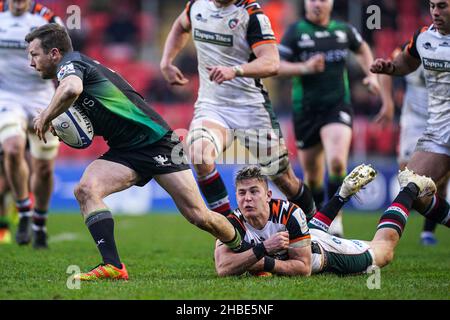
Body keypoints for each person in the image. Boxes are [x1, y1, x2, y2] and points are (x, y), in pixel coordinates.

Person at [27, 23, 245, 281]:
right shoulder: (74, 71)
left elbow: (72, 89)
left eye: (34, 54)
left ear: (54, 53)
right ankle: (113, 266)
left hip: (155, 141)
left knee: (199, 217)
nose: (31, 62)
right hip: (124, 149)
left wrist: (46, 116)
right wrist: (62, 122)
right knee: (85, 189)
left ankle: (247, 251)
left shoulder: (70, 65)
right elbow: (88, 126)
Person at [160, 0, 317, 223]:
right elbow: (180, 26)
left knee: (284, 180)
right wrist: (167, 61)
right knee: (199, 154)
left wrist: (236, 70)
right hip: (212, 106)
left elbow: (271, 62)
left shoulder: (251, 14)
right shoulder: (197, 6)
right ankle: (232, 231)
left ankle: (318, 227)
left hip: (252, 110)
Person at [276, 0, 386, 237]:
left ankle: (335, 216)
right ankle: (319, 218)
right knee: (313, 176)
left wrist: (371, 76)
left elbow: (363, 49)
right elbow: (276, 67)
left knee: (336, 161)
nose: (318, 4)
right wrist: (304, 67)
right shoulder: (296, 32)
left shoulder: (343, 30)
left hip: (337, 106)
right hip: (305, 110)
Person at [214, 164, 436, 277]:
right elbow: (223, 267)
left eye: (254, 191)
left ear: (268, 195)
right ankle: (342, 194)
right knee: (307, 232)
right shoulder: (232, 222)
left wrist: (267, 263)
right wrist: (264, 248)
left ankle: (410, 186)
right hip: (303, 238)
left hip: (322, 253)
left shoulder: (290, 213)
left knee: (384, 251)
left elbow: (303, 268)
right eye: (242, 193)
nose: (248, 198)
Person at [370, 0, 450, 235]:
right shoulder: (425, 38)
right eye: (432, 6)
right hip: (437, 132)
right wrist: (391, 68)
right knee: (410, 187)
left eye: (443, 6)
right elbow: (406, 62)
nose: (435, 12)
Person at [0, 0, 64, 248]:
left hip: (41, 97)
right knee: (14, 148)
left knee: (45, 168)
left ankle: (39, 222)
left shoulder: (47, 20)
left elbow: (65, 56)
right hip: (7, 96)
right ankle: (24, 210)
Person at [378, 45, 449, 245]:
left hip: (441, 121)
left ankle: (427, 232)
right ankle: (396, 227)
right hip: (414, 120)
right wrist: (388, 103)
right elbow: (387, 69)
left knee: (439, 181)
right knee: (407, 178)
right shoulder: (414, 48)